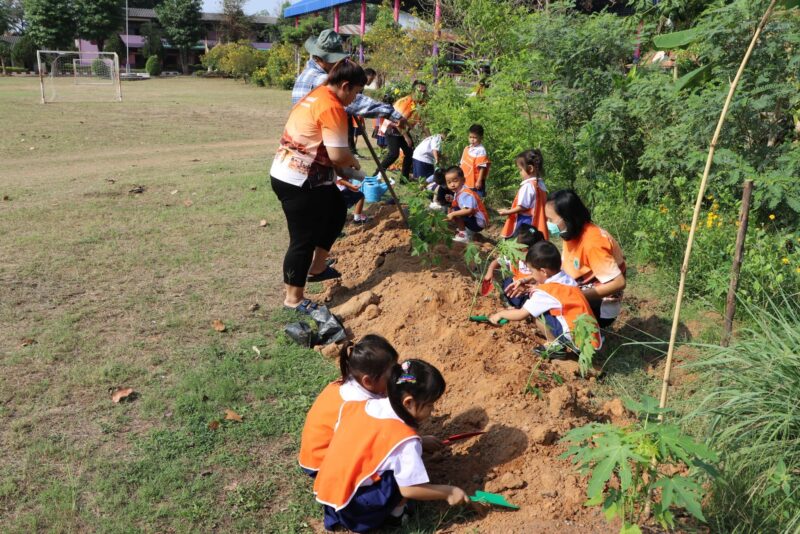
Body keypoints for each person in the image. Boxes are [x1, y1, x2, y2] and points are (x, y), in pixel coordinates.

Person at [313, 360, 469, 532]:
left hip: (328, 492)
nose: (432, 410)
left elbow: (372, 438)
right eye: (430, 405)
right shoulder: (406, 442)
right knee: (401, 476)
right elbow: (410, 489)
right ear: (408, 403)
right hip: (355, 510)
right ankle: (397, 516)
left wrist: (421, 441)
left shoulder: (364, 405)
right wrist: (449, 492)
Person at [270, 60, 367, 314]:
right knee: (302, 238)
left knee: (336, 209)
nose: (354, 98)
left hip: (302, 174)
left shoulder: (318, 94)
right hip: (298, 181)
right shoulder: (332, 106)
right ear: (345, 85)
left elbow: (320, 145)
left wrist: (337, 177)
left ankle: (318, 267)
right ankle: (293, 298)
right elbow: (338, 155)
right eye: (356, 92)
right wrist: (353, 164)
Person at [298, 335, 399, 476]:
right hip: (321, 464)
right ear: (368, 381)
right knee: (392, 469)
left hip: (315, 454)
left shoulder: (349, 381)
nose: (396, 377)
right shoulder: (361, 407)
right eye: (391, 374)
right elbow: (372, 441)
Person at [488, 241, 601, 353]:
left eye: (532, 271)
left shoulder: (545, 292)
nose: (531, 275)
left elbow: (521, 314)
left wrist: (500, 314)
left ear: (543, 271)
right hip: (592, 338)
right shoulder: (566, 278)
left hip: (577, 341)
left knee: (536, 314)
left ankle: (555, 346)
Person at [292, 30, 407, 128]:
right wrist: (391, 113)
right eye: (337, 59)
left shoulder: (306, 74)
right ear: (325, 59)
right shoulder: (321, 79)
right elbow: (356, 102)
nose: (339, 63)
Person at [545, 190, 627, 327]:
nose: (548, 223)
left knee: (549, 316)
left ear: (566, 218)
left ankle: (587, 337)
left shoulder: (593, 243)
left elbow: (618, 283)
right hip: (580, 290)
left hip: (602, 306)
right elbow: (565, 266)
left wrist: (574, 296)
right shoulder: (570, 233)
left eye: (551, 220)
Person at [483, 224, 545, 308]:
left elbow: (543, 285)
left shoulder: (541, 264)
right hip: (513, 286)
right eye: (515, 249)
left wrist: (527, 289)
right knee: (506, 284)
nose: (517, 254)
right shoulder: (513, 256)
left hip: (527, 295)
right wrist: (490, 271)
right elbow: (497, 262)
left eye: (520, 250)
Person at [379, 80, 428, 181]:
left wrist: (429, 137)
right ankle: (377, 174)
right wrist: (406, 137)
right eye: (420, 91)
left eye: (424, 91)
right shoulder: (405, 101)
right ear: (413, 91)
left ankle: (404, 179)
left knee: (409, 153)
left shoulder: (421, 104)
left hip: (403, 130)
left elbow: (423, 123)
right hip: (392, 128)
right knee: (394, 154)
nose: (423, 94)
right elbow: (397, 121)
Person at [499, 149, 549, 239]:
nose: (520, 173)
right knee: (532, 238)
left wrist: (507, 212)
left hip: (525, 222)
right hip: (535, 221)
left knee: (518, 241)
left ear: (530, 168)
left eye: (520, 170)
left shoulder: (528, 186)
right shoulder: (540, 184)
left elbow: (523, 206)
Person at [445, 166, 488, 243]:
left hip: (478, 223)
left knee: (456, 212)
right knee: (455, 208)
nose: (452, 185)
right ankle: (465, 230)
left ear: (463, 180)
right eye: (449, 182)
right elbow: (459, 203)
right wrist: (452, 200)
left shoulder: (465, 193)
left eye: (455, 181)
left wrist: (453, 214)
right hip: (476, 219)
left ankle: (463, 235)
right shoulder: (459, 191)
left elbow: (468, 210)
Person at [347, 68, 378, 159]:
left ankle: (352, 152)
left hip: (351, 111)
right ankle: (351, 153)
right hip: (346, 110)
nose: (371, 81)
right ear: (367, 76)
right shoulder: (358, 83)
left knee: (351, 131)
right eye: (371, 79)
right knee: (349, 132)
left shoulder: (361, 84)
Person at [459, 124, 490, 197]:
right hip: (466, 180)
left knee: (476, 199)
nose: (472, 139)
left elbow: (482, 167)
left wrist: (479, 181)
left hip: (475, 181)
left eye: (475, 137)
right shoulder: (467, 148)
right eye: (470, 137)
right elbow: (461, 164)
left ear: (481, 138)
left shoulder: (481, 150)